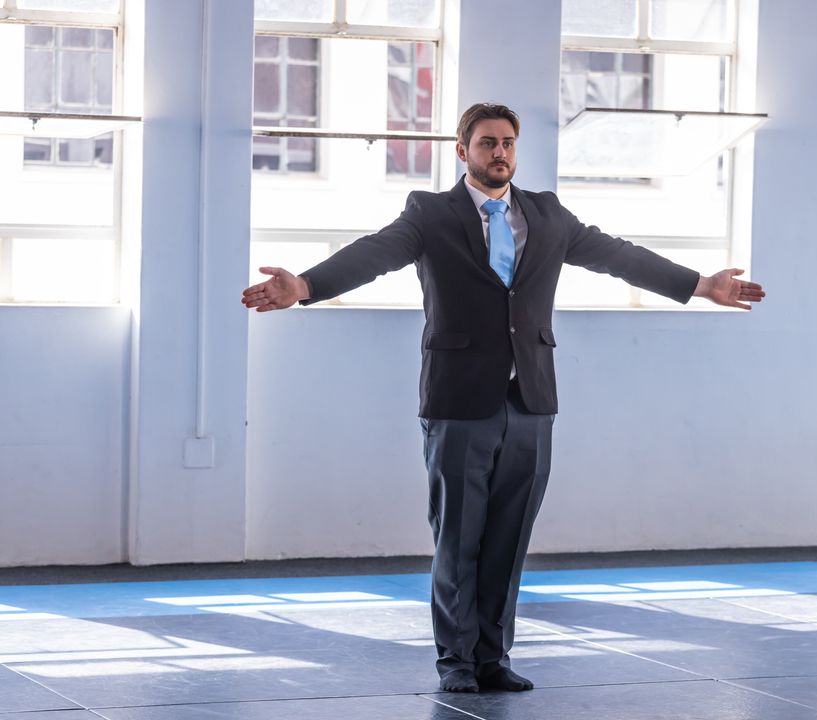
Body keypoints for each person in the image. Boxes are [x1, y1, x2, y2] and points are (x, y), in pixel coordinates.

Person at [241, 103, 765, 693]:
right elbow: (373, 253)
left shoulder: (546, 214)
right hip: (459, 400)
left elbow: (619, 256)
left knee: (509, 540)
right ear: (462, 151)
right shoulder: (429, 214)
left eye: (509, 143)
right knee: (458, 538)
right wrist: (306, 285)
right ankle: (457, 663)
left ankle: (493, 658)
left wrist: (700, 285)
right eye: (488, 142)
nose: (500, 153)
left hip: (531, 399)